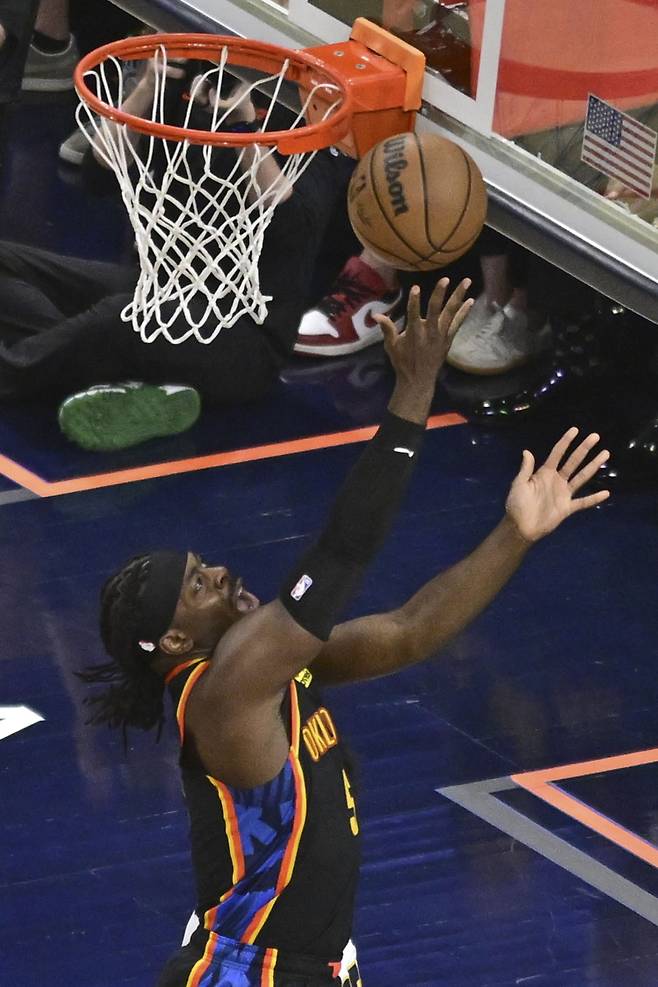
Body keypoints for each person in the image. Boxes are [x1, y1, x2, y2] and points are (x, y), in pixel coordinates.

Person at [78, 276, 610, 986]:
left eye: (205, 566)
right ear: (175, 641)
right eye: (198, 585)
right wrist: (412, 392)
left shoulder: (267, 669)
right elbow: (341, 553)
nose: (221, 575)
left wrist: (516, 532)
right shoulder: (228, 687)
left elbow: (408, 631)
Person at [0, 51, 403, 451]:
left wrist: (244, 133)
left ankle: (22, 369)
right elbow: (96, 176)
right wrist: (148, 87)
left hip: (242, 341)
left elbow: (293, 224)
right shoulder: (195, 90)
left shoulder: (314, 125)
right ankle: (98, 369)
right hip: (156, 290)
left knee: (113, 317)